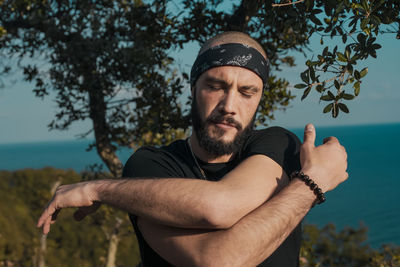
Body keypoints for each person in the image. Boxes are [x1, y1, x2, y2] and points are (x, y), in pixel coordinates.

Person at [37, 32, 348, 266]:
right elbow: (217, 255)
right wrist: (312, 183)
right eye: (215, 86)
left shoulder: (278, 145)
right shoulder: (149, 167)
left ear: (259, 101)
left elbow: (221, 206)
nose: (229, 106)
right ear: (194, 88)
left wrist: (100, 188)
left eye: (246, 92)